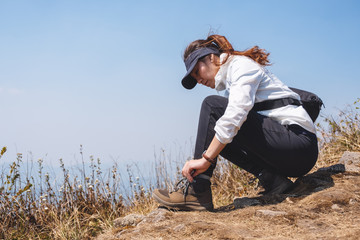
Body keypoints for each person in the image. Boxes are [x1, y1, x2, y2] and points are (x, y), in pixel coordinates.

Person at [152, 34, 318, 211]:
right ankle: (273, 181)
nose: (198, 80)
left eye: (197, 71)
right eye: (194, 78)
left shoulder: (240, 65)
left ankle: (197, 191)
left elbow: (237, 112)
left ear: (211, 57)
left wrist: (205, 159)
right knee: (219, 134)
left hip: (300, 145)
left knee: (213, 107)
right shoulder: (230, 84)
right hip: (289, 152)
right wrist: (209, 152)